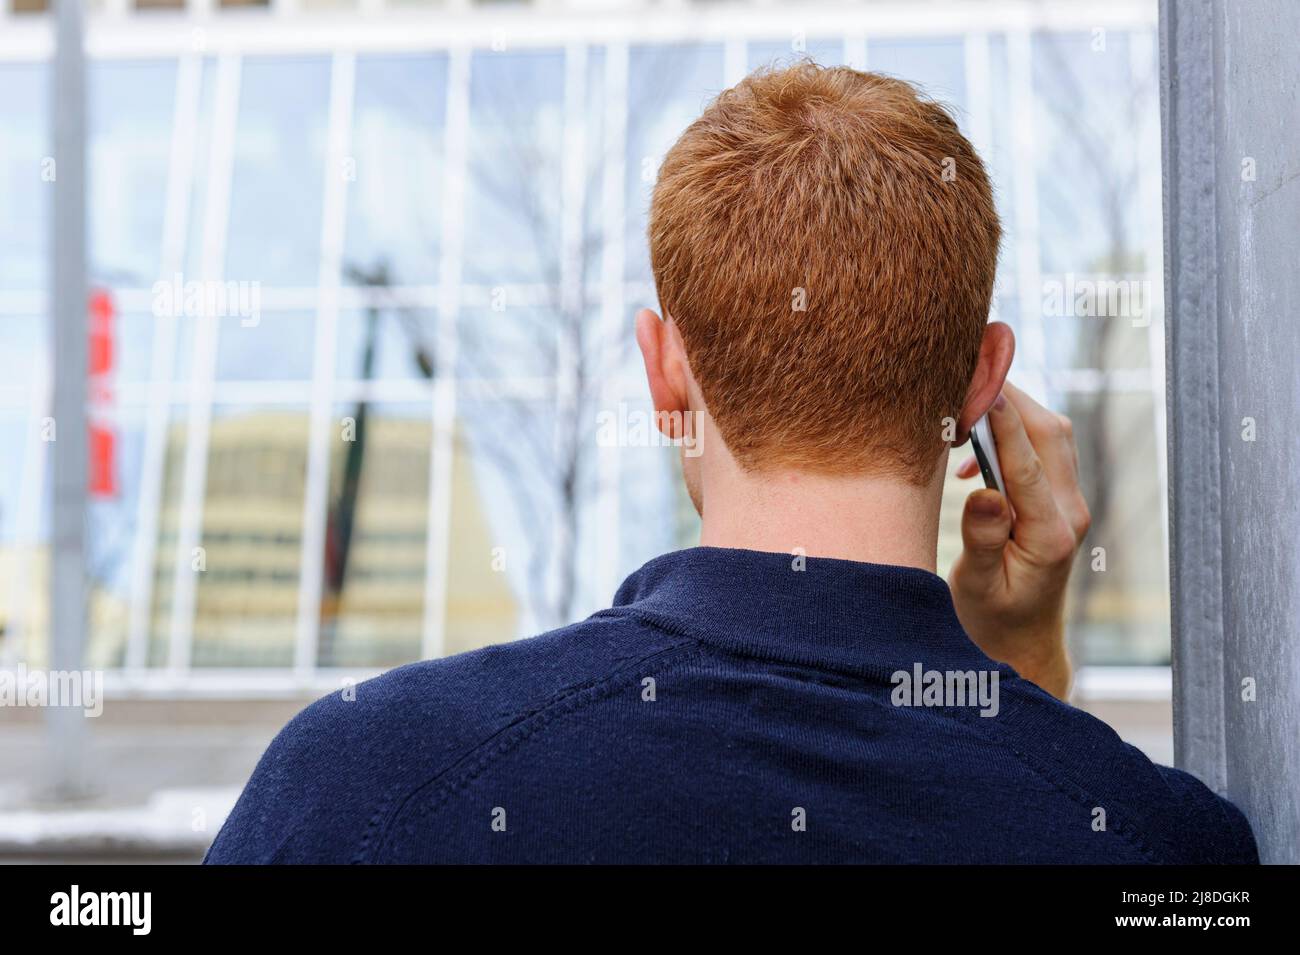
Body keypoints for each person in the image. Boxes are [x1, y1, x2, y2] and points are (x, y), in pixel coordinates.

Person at [205, 63, 1257, 864]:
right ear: (981, 380)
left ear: (664, 371)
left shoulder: (359, 783)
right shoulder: (1167, 850)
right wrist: (1019, 679)